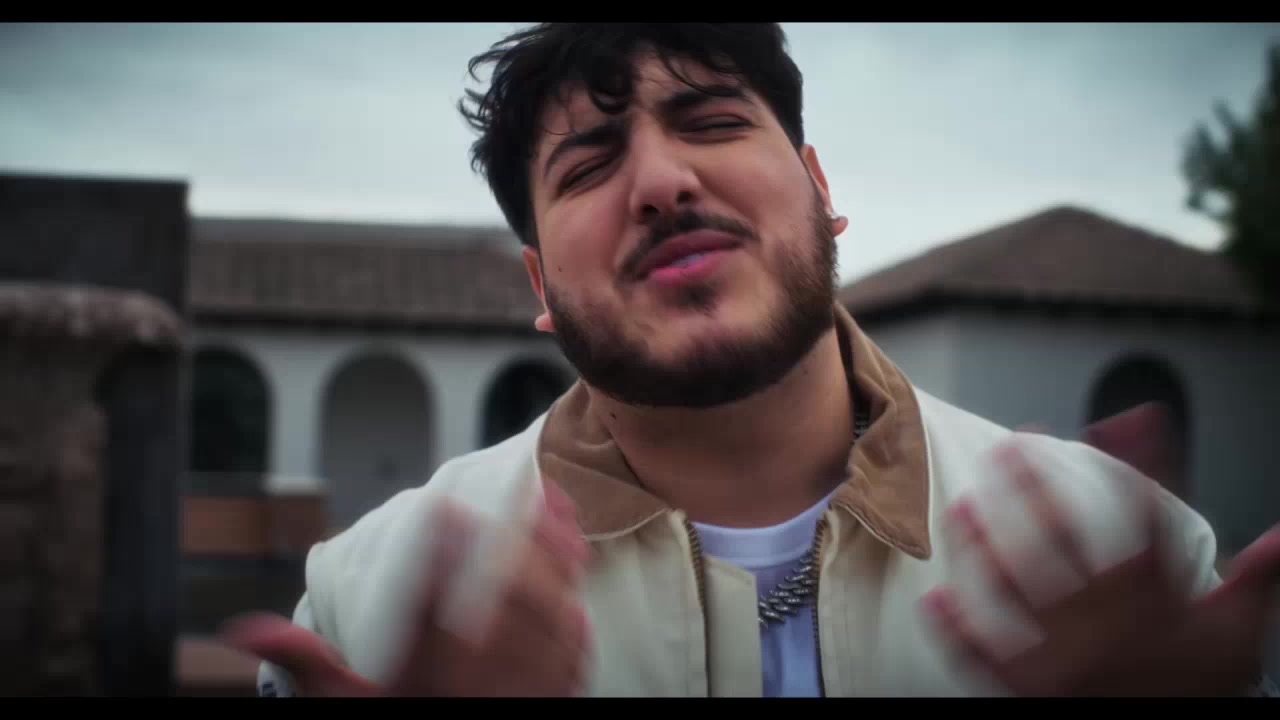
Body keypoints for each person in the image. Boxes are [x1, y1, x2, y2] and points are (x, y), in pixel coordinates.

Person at [222, 23, 1280, 697]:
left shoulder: (1121, 556)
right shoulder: (367, 609)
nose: (661, 182)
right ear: (539, 286)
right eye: (588, 166)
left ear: (820, 191)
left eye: (713, 121)